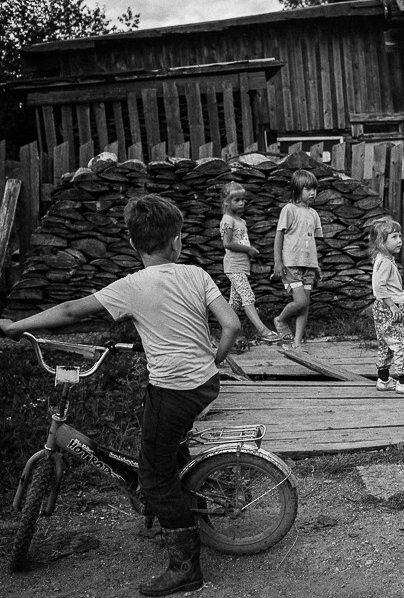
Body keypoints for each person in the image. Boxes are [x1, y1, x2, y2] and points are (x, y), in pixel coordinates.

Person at [0, 194, 241, 597]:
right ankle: (178, 497)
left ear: (133, 244)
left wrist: (13, 327)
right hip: (204, 382)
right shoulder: (197, 274)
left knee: (153, 476)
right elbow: (231, 325)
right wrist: (211, 359)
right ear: (177, 242)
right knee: (163, 445)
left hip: (174, 389)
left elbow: (73, 311)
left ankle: (186, 569)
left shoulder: (131, 286)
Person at [368, 216, 404, 395]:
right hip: (389, 308)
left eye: (399, 236)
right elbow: (379, 287)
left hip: (383, 308)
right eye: (394, 237)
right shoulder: (384, 262)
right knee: (400, 344)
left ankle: (384, 379)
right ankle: (403, 381)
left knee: (386, 344)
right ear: (381, 242)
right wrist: (392, 306)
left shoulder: (383, 257)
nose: (399, 240)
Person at [219, 182, 281, 343]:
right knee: (248, 296)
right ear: (226, 201)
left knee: (235, 302)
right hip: (233, 267)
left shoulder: (241, 221)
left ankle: (225, 335)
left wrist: (250, 249)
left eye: (243, 200)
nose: (241, 203)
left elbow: (240, 241)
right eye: (236, 200)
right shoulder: (227, 220)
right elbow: (227, 243)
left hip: (242, 266)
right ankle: (263, 331)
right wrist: (248, 250)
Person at [272, 170, 322, 350]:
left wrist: (316, 266)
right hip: (291, 264)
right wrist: (278, 261)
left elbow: (311, 242)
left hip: (308, 266)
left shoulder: (313, 214)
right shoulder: (289, 209)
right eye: (307, 188)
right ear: (296, 189)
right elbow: (279, 235)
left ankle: (298, 342)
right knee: (300, 302)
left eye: (314, 189)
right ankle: (280, 319)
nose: (312, 192)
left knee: (305, 305)